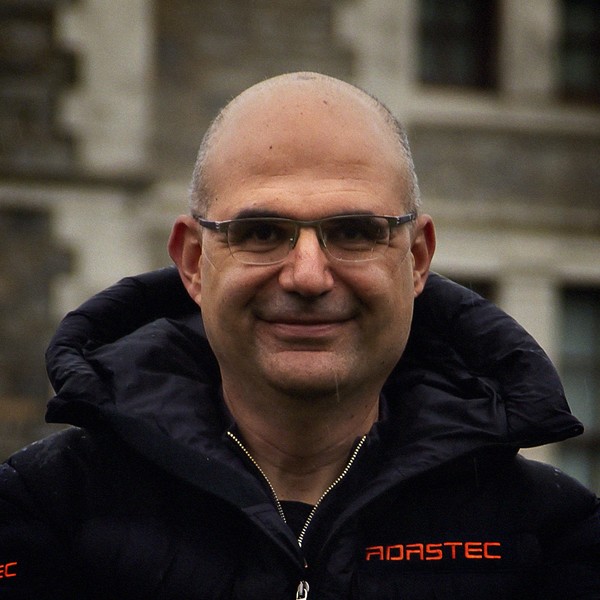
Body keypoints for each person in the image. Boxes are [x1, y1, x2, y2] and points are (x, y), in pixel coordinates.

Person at [1, 72, 599, 600]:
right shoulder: (41, 512)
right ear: (192, 262)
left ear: (417, 259)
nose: (308, 276)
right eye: (261, 232)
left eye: (354, 232)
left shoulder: (552, 537)